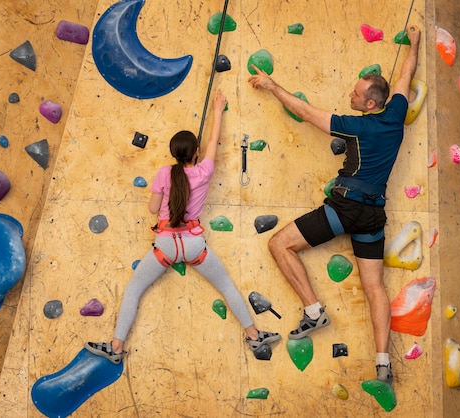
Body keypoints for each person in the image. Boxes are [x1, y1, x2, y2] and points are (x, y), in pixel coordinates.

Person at [248, 26, 422, 384]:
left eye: (357, 94)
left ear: (371, 104)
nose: (351, 94)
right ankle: (383, 363)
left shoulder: (356, 127)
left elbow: (308, 113)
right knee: (375, 287)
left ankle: (314, 311)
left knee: (279, 244)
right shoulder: (396, 115)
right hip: (373, 215)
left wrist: (271, 86)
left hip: (345, 209)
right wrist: (414, 44)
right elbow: (406, 75)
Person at [86, 90, 280, 364]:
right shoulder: (204, 171)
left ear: (173, 154)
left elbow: (153, 209)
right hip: (193, 244)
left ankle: (116, 348)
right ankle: (254, 335)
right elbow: (214, 140)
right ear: (197, 153)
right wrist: (217, 110)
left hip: (165, 244)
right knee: (226, 286)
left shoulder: (165, 173)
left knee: (134, 289)